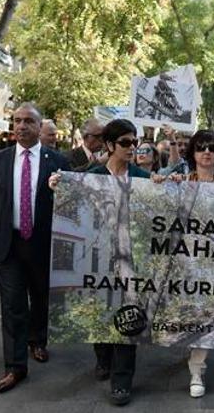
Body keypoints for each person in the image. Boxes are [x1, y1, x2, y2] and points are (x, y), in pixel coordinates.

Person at [49, 119, 149, 406]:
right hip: (95, 258)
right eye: (125, 143)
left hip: (132, 258)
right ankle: (103, 356)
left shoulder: (142, 177)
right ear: (109, 145)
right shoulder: (90, 175)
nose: (132, 148)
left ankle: (122, 380)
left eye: (135, 142)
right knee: (100, 310)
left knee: (128, 314)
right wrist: (57, 185)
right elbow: (69, 201)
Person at [0, 103, 69, 393]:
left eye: (28, 121)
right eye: (16, 121)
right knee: (13, 305)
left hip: (43, 244)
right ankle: (15, 366)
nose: (21, 126)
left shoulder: (58, 161)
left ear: (39, 126)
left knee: (41, 297)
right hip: (9, 244)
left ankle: (38, 340)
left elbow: (71, 206)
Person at [154, 131, 214, 399]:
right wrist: (161, 183)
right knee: (186, 313)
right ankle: (190, 354)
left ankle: (196, 370)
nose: (206, 152)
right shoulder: (179, 182)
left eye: (212, 148)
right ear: (192, 152)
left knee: (206, 313)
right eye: (201, 148)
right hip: (182, 261)